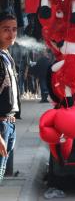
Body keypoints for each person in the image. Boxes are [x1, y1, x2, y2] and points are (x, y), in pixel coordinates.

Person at [0, 13, 20, 182]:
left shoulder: (6, 56)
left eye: (14, 29)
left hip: (9, 124)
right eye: (6, 29)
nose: (11, 34)